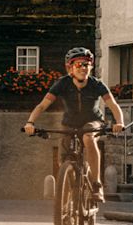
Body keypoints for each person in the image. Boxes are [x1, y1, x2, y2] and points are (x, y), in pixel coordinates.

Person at [23, 47, 125, 200]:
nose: (84, 68)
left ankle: (96, 184)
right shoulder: (62, 84)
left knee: (88, 138)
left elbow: (113, 106)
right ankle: (65, 186)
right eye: (79, 64)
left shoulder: (97, 84)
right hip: (70, 123)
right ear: (70, 68)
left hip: (93, 121)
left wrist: (120, 122)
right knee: (63, 155)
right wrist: (30, 123)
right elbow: (42, 105)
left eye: (87, 64)